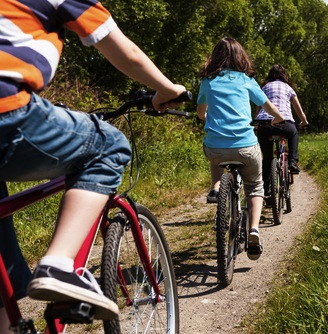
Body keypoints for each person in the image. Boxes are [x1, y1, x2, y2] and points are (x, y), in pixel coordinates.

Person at [0, 0, 186, 329]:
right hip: (7, 110)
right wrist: (165, 89)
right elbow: (124, 51)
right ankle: (58, 265)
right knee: (108, 145)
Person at [196, 38, 285, 260]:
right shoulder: (247, 81)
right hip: (245, 146)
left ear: (214, 57)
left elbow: (200, 112)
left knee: (214, 152)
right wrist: (278, 117)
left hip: (216, 147)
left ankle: (216, 187)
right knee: (255, 186)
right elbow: (268, 106)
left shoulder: (208, 81)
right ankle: (254, 229)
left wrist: (208, 118)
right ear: (240, 57)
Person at [254, 64, 308, 205]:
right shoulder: (288, 88)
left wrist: (256, 124)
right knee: (294, 133)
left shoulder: (264, 87)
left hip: (265, 125)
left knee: (267, 159)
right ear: (284, 75)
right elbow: (299, 110)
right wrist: (304, 121)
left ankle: (267, 194)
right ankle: (292, 162)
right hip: (285, 124)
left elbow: (259, 108)